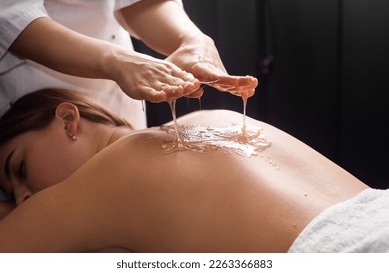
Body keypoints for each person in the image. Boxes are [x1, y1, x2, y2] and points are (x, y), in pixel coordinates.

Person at [0, 88, 388, 253]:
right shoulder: (214, 115)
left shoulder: (106, 176)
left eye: (19, 168)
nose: (24, 197)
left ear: (68, 120)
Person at [0, 0, 258, 129]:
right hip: (36, 85)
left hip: (119, 72)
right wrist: (118, 62)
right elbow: (10, 14)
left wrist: (191, 40)